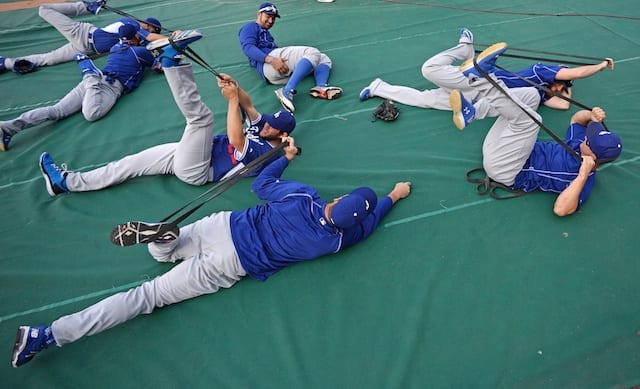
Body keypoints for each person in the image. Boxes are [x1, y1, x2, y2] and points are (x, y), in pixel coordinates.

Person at [11, 136, 412, 367]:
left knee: (164, 254)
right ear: (351, 223)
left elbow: (261, 185)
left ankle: (162, 237)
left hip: (221, 226)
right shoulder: (336, 241)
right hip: (230, 265)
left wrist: (284, 157)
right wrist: (394, 196)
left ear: (337, 197)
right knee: (146, 297)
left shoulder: (303, 197)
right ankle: (46, 336)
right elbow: (372, 220)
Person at [38, 34, 297, 197]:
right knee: (130, 164)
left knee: (201, 119)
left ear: (280, 134)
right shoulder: (265, 128)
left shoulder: (265, 153)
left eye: (270, 127)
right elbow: (250, 107)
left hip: (199, 169)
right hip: (192, 152)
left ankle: (173, 63)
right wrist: (236, 88)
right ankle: (66, 183)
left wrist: (231, 103)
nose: (265, 126)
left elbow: (236, 139)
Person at [450, 42, 622, 216]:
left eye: (589, 140)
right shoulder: (580, 144)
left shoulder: (584, 180)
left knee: (532, 120)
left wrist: (583, 175)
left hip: (506, 170)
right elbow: (576, 119)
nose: (585, 138)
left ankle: (480, 80)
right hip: (502, 150)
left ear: (592, 156)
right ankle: (472, 112)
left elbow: (561, 210)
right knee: (532, 95)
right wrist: (591, 115)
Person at [359, 28, 614, 129]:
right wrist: (601, 65)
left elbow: (564, 105)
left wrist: (562, 91)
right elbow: (576, 72)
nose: (561, 86)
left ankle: (379, 88)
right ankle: (464, 50)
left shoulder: (540, 92)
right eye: (562, 82)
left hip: (479, 97)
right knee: (428, 69)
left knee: (425, 100)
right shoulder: (540, 71)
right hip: (480, 81)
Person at [0, 24, 156, 151]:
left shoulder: (116, 46)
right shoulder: (139, 52)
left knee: (57, 110)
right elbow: (157, 63)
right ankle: (89, 74)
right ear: (136, 36)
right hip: (109, 86)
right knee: (92, 114)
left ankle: (8, 128)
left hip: (99, 78)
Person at [0, 0, 164, 74]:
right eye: (151, 28)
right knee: (44, 10)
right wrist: (171, 37)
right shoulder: (131, 24)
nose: (149, 30)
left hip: (84, 49)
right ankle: (86, 6)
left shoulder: (139, 42)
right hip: (83, 33)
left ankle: (5, 63)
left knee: (47, 59)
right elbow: (150, 37)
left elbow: (150, 45)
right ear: (147, 24)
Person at [238, 2, 342, 112]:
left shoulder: (267, 34)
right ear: (259, 14)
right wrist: (272, 60)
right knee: (312, 53)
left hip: (276, 75)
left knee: (323, 58)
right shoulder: (250, 27)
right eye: (268, 16)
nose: (270, 21)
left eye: (273, 18)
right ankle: (287, 90)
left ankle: (321, 87)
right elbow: (248, 48)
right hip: (268, 64)